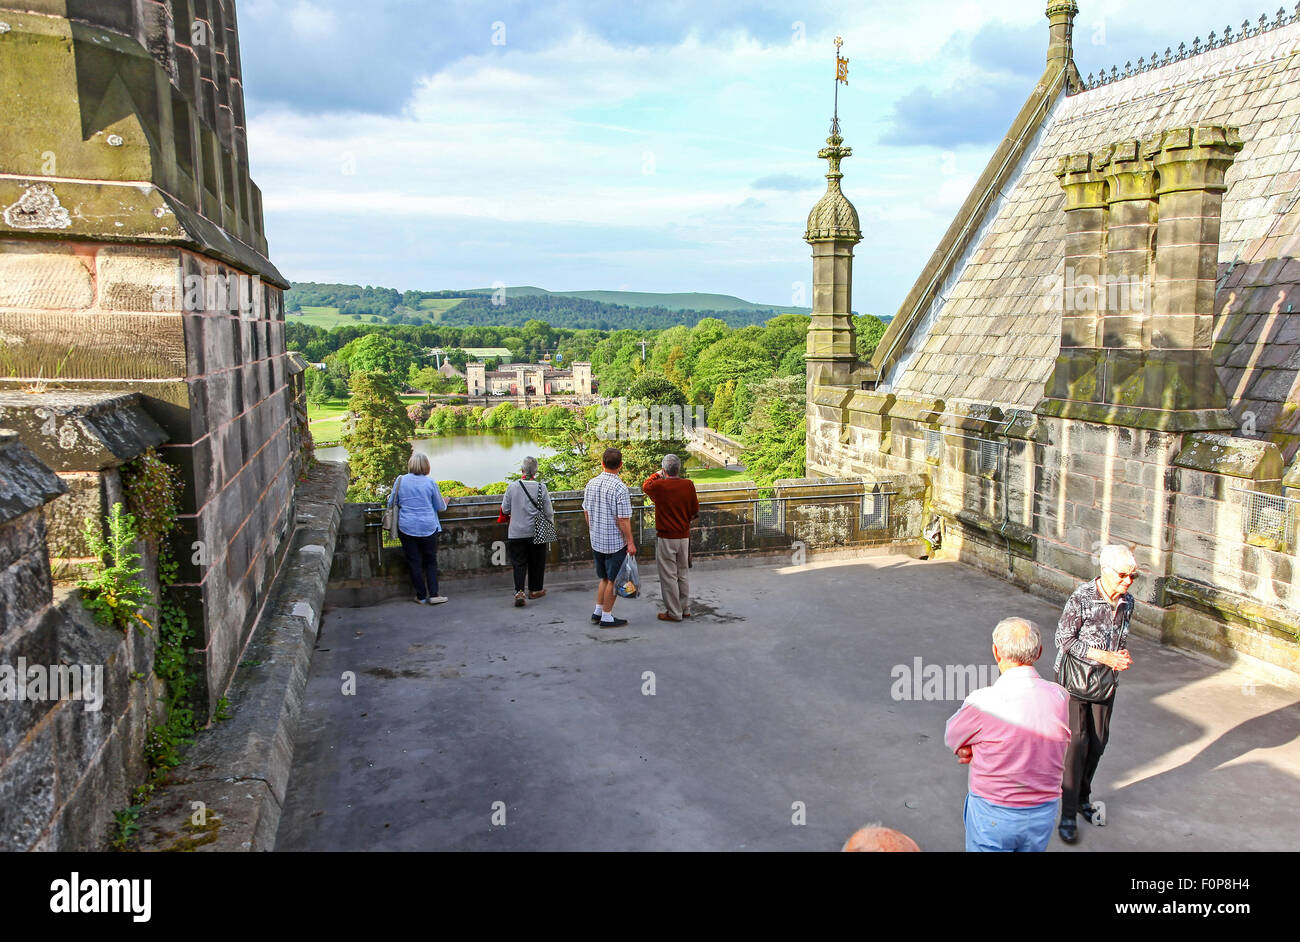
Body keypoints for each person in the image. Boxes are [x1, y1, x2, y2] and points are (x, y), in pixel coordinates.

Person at [944, 618, 1071, 853]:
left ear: (996, 652)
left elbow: (953, 737)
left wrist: (972, 748)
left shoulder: (983, 702)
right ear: (1039, 652)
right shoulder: (1060, 697)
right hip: (1043, 812)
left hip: (992, 812)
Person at [1054, 544, 1136, 844]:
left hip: (1105, 681)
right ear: (1106, 570)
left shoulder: (1128, 603)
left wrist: (1121, 657)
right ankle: (1067, 813)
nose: (1127, 582)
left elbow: (1119, 639)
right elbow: (1063, 639)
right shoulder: (1082, 597)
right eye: (1123, 575)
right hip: (1075, 680)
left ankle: (1083, 798)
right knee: (1077, 742)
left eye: (1133, 577)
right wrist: (1104, 657)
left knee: (1099, 741)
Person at [642, 454, 699, 622]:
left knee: (668, 576)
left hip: (666, 537)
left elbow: (646, 486)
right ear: (679, 468)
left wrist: (657, 474)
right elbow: (694, 511)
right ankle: (684, 608)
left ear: (665, 470)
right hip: (683, 537)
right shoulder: (688, 485)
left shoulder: (660, 485)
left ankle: (674, 613)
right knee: (683, 573)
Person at [387, 452, 448, 605]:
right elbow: (440, 507)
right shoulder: (430, 483)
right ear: (426, 466)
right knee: (430, 561)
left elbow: (390, 502)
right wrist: (446, 501)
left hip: (406, 526)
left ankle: (420, 596)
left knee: (414, 561)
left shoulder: (400, 480)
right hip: (428, 526)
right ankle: (434, 595)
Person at [582, 447, 635, 628]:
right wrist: (630, 542)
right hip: (614, 543)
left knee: (604, 578)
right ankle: (606, 616)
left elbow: (586, 512)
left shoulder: (591, 483)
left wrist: (593, 529)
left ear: (602, 463)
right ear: (620, 465)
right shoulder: (620, 488)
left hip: (597, 541)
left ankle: (598, 611)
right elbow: (623, 519)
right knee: (614, 580)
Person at [500, 456, 555, 607]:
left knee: (519, 563)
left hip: (516, 532)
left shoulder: (512, 487)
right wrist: (550, 526)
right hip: (536, 532)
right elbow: (549, 512)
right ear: (535, 471)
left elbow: (505, 509)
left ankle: (519, 591)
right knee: (537, 562)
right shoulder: (541, 487)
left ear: (522, 470)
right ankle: (535, 590)